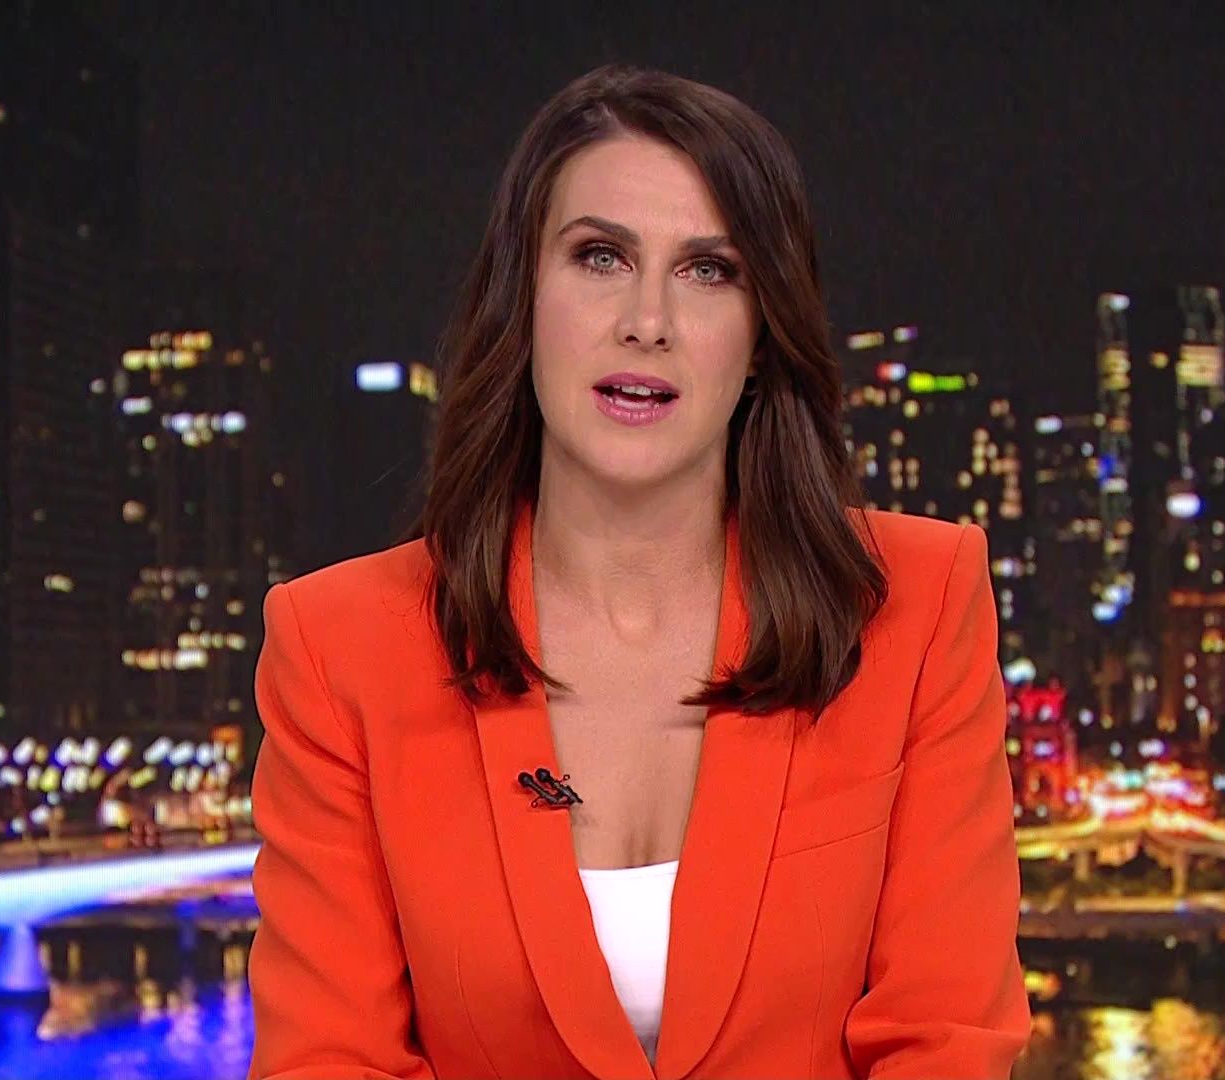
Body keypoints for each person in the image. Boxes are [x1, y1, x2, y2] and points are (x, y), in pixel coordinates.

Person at [248, 63, 1031, 1080]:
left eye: (709, 270)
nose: (647, 320)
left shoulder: (916, 605)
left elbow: (946, 1041)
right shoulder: (339, 647)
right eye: (600, 256)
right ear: (522, 298)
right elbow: (329, 1059)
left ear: (762, 336)